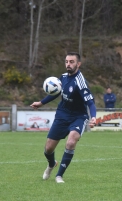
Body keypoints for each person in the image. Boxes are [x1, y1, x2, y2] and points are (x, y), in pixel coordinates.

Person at [30, 52, 96, 183]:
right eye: (66, 61)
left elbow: (90, 102)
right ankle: (51, 164)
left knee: (71, 142)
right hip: (62, 114)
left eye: (71, 62)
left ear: (78, 64)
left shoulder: (81, 82)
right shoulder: (63, 77)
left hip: (78, 116)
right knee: (48, 148)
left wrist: (93, 117)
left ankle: (59, 175)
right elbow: (56, 92)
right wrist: (41, 103)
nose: (68, 64)